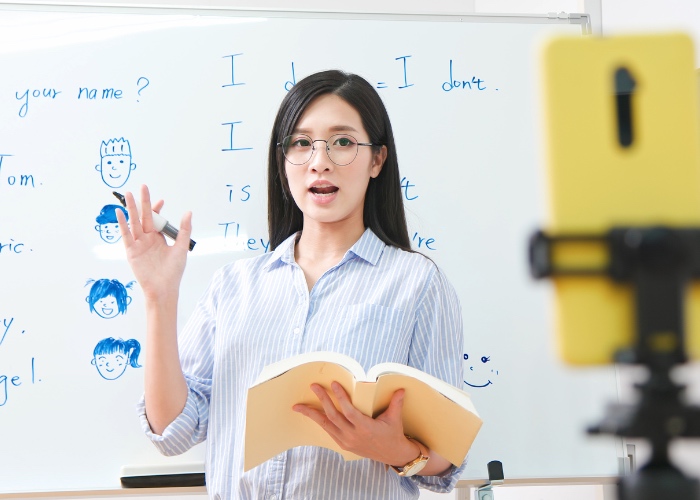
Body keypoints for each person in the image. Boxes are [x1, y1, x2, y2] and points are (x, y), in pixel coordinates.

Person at [116, 70, 466, 499]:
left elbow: (446, 456)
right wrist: (159, 298)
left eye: (342, 142)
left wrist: (392, 448)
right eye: (302, 144)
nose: (320, 161)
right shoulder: (233, 287)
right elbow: (173, 431)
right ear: (283, 165)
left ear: (377, 160)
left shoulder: (417, 284)